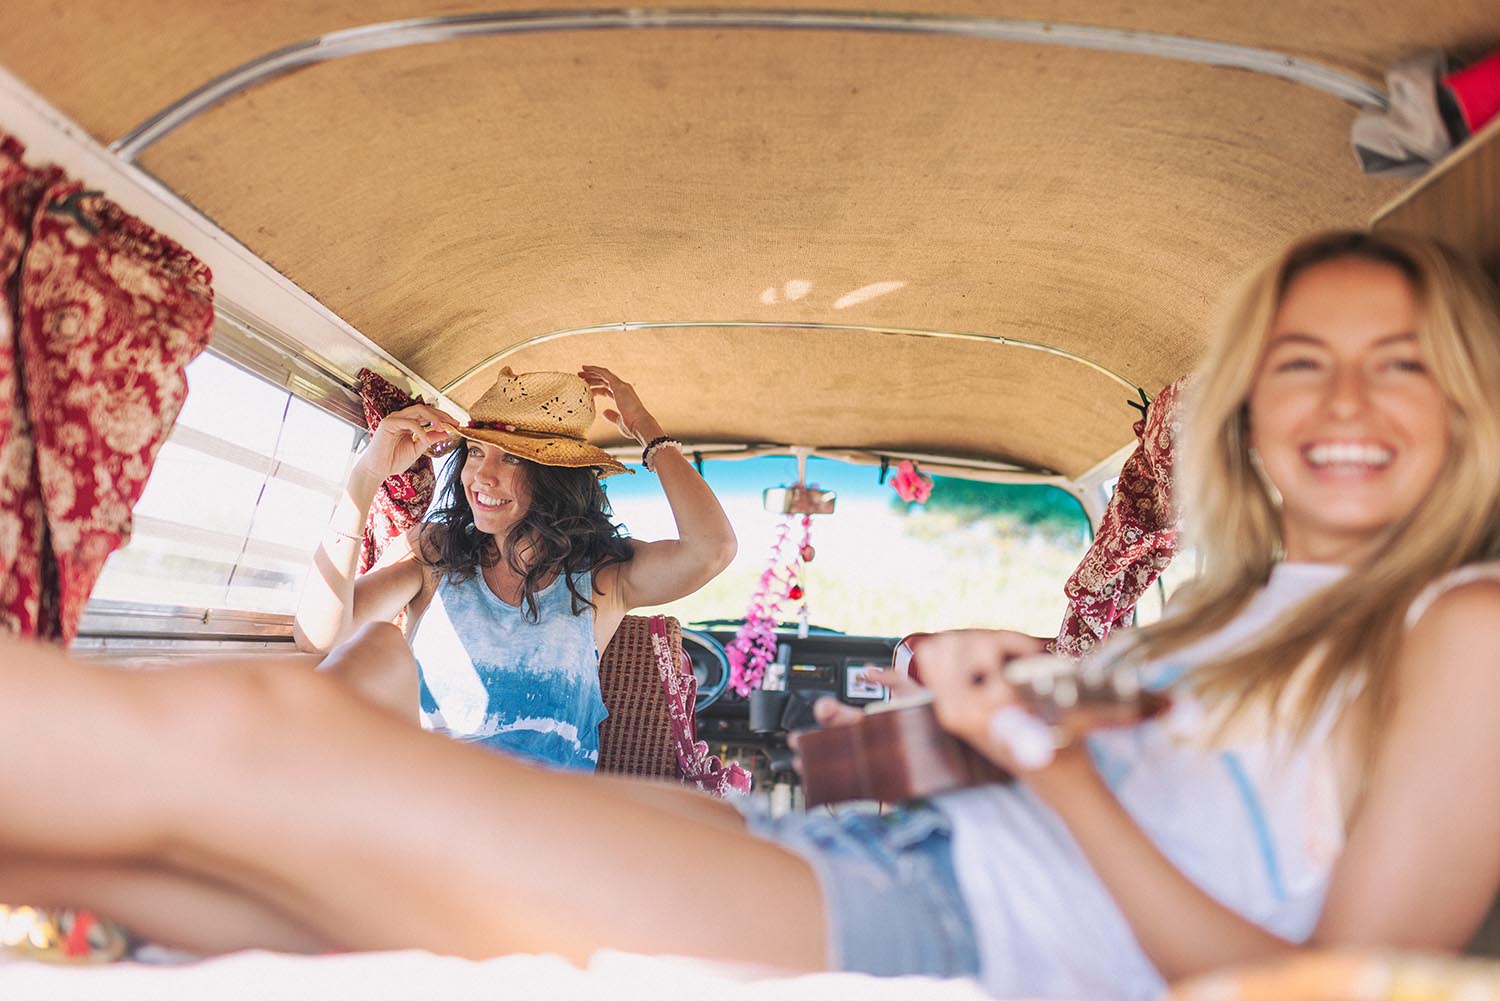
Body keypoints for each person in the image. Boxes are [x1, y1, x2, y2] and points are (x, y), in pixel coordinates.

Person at [1, 230, 1499, 999]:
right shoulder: (1261, 605)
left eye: (1402, 363)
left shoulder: (1467, 625)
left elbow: (1320, 984)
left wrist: (1047, 764)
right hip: (906, 859)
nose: (1345, 401)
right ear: (1249, 404)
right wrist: (1000, 720)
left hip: (954, 922)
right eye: (1303, 361)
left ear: (1472, 398)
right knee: (252, 886)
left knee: (263, 737)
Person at [293, 364, 737, 769]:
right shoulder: (434, 552)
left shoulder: (604, 574)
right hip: (427, 803)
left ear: (556, 478)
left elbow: (712, 550)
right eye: (475, 452)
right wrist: (367, 474)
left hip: (542, 817)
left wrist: (646, 430)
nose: (482, 476)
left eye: (512, 458)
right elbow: (319, 637)